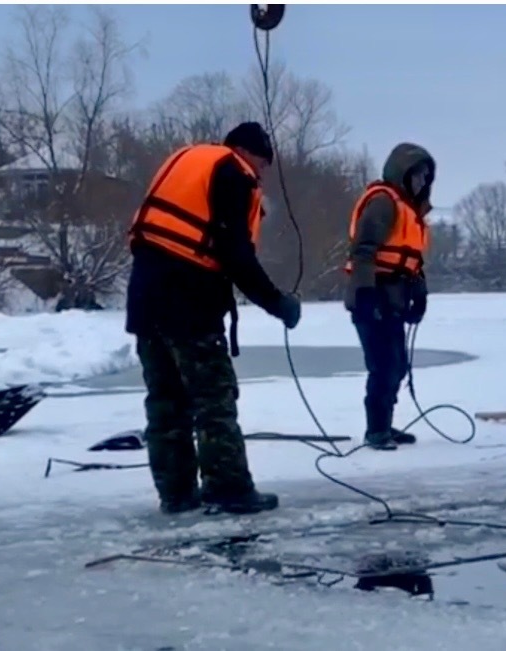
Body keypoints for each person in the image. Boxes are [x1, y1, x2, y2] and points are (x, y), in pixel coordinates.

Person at [125, 122, 302, 515]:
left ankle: (176, 494)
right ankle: (229, 489)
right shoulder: (233, 172)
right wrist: (277, 302)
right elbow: (236, 254)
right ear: (251, 152)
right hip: (189, 303)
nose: (263, 174)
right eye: (264, 163)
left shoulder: (187, 161)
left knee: (166, 403)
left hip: (144, 299)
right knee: (213, 401)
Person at [344, 143, 435, 451]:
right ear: (403, 173)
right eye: (418, 175)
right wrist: (366, 294)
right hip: (373, 298)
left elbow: (413, 264)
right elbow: (364, 250)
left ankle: (385, 424)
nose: (422, 182)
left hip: (395, 300)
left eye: (426, 177)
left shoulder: (412, 212)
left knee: (397, 365)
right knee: (382, 366)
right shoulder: (384, 202)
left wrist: (419, 296)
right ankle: (375, 431)